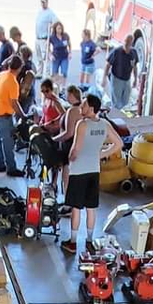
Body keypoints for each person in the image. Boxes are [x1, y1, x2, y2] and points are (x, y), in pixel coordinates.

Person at [62, 93, 122, 254]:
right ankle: (89, 240)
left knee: (76, 208)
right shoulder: (104, 124)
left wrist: (69, 159)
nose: (81, 107)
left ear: (91, 108)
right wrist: (100, 155)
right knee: (91, 208)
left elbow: (76, 149)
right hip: (94, 171)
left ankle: (73, 242)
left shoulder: (82, 124)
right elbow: (119, 143)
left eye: (84, 105)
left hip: (78, 170)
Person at [0, 56, 22, 176]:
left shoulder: (2, 75)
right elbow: (14, 102)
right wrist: (23, 115)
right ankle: (11, 168)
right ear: (19, 68)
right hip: (4, 115)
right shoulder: (13, 82)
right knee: (8, 143)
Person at [105, 31, 139, 113]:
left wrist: (135, 78)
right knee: (116, 101)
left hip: (127, 79)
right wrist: (104, 77)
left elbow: (134, 66)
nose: (127, 44)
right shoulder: (117, 51)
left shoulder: (133, 53)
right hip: (117, 78)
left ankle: (121, 112)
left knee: (125, 100)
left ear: (132, 43)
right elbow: (108, 64)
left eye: (129, 42)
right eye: (126, 41)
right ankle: (115, 115)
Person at [48, 22, 70, 88]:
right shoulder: (52, 37)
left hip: (64, 57)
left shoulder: (65, 35)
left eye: (61, 28)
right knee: (55, 73)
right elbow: (47, 46)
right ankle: (56, 86)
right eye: (58, 28)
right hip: (56, 57)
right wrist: (50, 54)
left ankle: (63, 86)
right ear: (55, 29)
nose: (60, 30)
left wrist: (70, 52)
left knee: (64, 73)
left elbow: (69, 44)